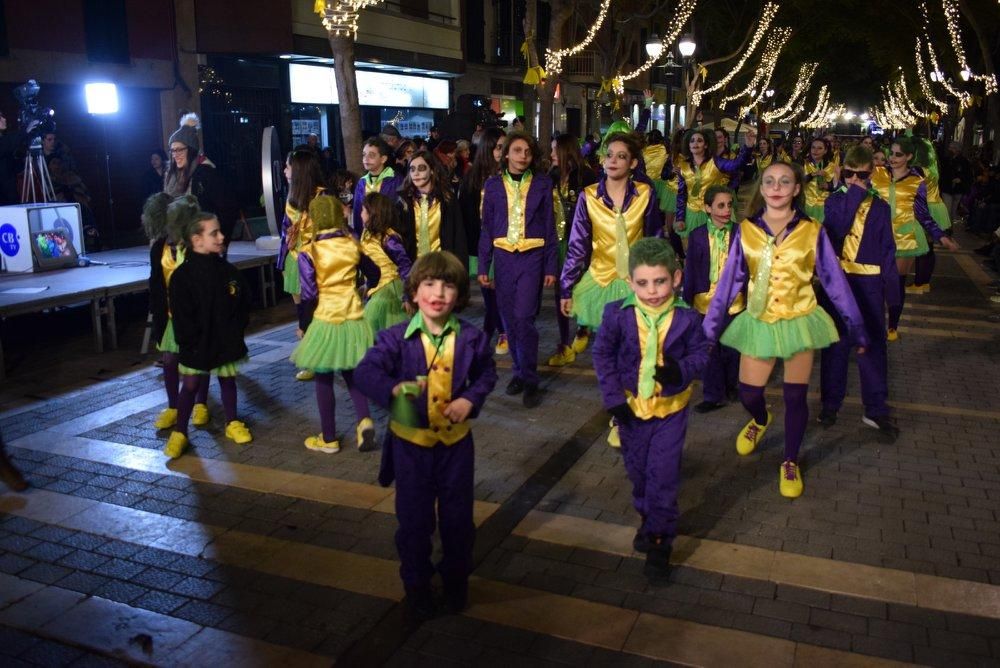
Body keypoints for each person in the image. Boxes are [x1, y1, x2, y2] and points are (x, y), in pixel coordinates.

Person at [703, 161, 868, 498]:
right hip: (759, 322)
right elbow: (727, 285)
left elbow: (836, 284)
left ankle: (790, 459)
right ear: (761, 189)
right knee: (749, 393)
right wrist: (707, 330)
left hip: (799, 321)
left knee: (795, 397)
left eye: (785, 181)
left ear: (796, 189)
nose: (776, 187)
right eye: (769, 181)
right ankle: (760, 420)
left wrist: (858, 328)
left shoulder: (813, 231)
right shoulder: (745, 230)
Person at [354, 251, 498, 619]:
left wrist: (470, 398)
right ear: (414, 292)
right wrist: (393, 390)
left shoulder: (472, 339)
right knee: (415, 522)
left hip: (455, 448)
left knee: (458, 521)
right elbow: (366, 372)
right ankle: (416, 584)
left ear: (459, 295)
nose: (438, 293)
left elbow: (486, 374)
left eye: (448, 285)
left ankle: (455, 583)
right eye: (429, 284)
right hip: (410, 449)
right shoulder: (394, 339)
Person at [592, 237, 708, 581]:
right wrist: (613, 399)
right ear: (630, 282)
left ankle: (660, 540)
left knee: (662, 475)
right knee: (638, 473)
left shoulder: (687, 318)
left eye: (660, 281)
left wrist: (681, 371)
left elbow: (702, 353)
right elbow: (602, 355)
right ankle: (648, 518)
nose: (652, 290)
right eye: (642, 283)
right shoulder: (617, 314)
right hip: (630, 409)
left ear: (675, 277)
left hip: (670, 409)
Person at [818, 146, 900, 441]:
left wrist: (894, 299)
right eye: (849, 173)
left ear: (872, 174)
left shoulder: (880, 207)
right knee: (835, 346)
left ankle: (875, 408)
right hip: (839, 283)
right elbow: (837, 227)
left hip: (870, 284)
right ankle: (830, 404)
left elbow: (888, 252)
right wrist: (852, 192)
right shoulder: (834, 201)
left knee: (874, 347)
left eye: (861, 175)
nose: (854, 179)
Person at [163, 198, 252, 459]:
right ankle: (180, 431)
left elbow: (242, 301)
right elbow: (181, 315)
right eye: (214, 233)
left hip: (224, 339)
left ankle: (232, 421)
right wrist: (191, 341)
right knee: (190, 384)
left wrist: (235, 328)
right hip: (197, 344)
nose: (222, 236)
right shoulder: (182, 276)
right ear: (196, 239)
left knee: (227, 379)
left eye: (220, 231)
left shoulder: (227, 270)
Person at [290, 194, 377, 453]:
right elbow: (375, 273)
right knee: (352, 373)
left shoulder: (309, 251)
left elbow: (309, 295)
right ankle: (364, 422)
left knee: (324, 377)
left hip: (326, 318)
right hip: (353, 316)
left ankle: (328, 438)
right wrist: (361, 289)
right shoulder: (351, 244)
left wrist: (304, 326)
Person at [478, 130, 557, 408]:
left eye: (527, 152)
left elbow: (549, 227)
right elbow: (487, 227)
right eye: (517, 151)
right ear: (506, 154)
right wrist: (483, 264)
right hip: (502, 257)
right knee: (509, 320)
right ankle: (519, 372)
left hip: (532, 257)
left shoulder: (543, 184)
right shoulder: (493, 185)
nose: (522, 156)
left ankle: (530, 378)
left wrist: (550, 264)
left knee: (525, 318)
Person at [870, 137, 959, 340]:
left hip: (905, 238)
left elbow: (923, 214)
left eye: (898, 154)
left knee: (896, 285)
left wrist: (941, 236)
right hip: (876, 237)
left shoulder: (917, 181)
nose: (892, 158)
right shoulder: (877, 174)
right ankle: (873, 323)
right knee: (874, 285)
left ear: (909, 156)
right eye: (891, 153)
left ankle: (892, 327)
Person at [145, 192, 211, 432]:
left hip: (194, 316)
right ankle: (173, 406)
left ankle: (201, 403)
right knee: (170, 361)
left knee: (198, 361)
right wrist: (156, 316)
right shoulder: (158, 250)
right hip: (171, 317)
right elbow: (155, 284)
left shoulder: (193, 248)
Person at [683, 185, 743, 412]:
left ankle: (731, 385)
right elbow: (691, 269)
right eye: (720, 205)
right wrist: (687, 300)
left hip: (734, 301)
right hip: (705, 302)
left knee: (732, 348)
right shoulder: (697, 235)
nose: (726, 210)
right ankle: (712, 394)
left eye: (729, 204)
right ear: (707, 207)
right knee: (709, 350)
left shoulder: (739, 232)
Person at [548, 133, 598, 366]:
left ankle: (583, 327)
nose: (551, 155)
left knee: (583, 288)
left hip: (582, 243)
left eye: (554, 149)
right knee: (562, 292)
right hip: (558, 243)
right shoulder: (551, 176)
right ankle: (564, 343)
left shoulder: (587, 176)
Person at [278, 150, 327, 381]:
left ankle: (320, 357)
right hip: (294, 260)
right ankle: (310, 359)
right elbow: (284, 232)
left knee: (316, 311)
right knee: (301, 313)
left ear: (298, 170)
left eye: (288, 166)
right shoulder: (290, 197)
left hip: (315, 261)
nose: (285, 170)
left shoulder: (321, 197)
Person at [458, 127, 508, 354]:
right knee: (489, 290)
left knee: (498, 292)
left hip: (507, 244)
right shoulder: (471, 178)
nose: (502, 152)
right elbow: (467, 215)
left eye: (504, 147)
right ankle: (498, 330)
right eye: (498, 147)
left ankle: (494, 333)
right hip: (482, 245)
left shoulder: (510, 175)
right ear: (488, 148)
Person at [163, 114, 235, 241]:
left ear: (191, 150)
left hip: (202, 244)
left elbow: (227, 209)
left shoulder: (205, 173)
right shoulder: (170, 176)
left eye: (180, 150)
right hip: (178, 243)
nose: (175, 154)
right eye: (173, 150)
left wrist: (218, 240)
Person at [674, 128, 754, 238]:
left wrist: (748, 148)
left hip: (714, 213)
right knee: (695, 249)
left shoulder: (716, 162)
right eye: (692, 141)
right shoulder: (684, 166)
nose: (695, 143)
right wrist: (680, 218)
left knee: (716, 249)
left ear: (706, 145)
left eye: (699, 140)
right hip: (692, 214)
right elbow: (681, 194)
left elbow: (736, 164)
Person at [396, 149, 468, 270]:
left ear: (432, 171)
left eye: (421, 168)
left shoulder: (447, 200)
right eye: (412, 169)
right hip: (414, 269)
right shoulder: (402, 202)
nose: (416, 173)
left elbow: (459, 237)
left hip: (442, 267)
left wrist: (460, 271)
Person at [361, 192, 412, 333]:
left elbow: (405, 266)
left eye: (363, 210)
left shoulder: (388, 238)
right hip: (377, 289)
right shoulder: (367, 235)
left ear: (372, 213)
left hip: (390, 290)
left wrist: (408, 296)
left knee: (387, 331)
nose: (360, 214)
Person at [352, 137, 403, 238]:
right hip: (365, 239)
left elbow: (399, 214)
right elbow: (357, 214)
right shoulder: (362, 182)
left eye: (371, 155)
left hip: (389, 239)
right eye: (364, 155)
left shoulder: (396, 180)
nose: (366, 159)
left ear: (383, 159)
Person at [0, 111, 32, 206]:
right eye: (0, 117)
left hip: (9, 197)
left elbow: (14, 168)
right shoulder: (6, 142)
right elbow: (6, 144)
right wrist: (25, 131)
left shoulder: (7, 141)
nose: (4, 119)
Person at [803, 137, 838, 222]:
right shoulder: (803, 163)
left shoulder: (833, 167)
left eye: (820, 148)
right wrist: (812, 174)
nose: (815, 151)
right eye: (813, 147)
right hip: (807, 204)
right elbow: (798, 182)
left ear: (825, 151)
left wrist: (828, 186)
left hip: (824, 206)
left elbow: (836, 187)